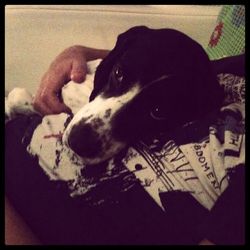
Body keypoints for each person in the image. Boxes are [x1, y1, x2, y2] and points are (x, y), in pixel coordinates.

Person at [5, 5, 245, 245]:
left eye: (157, 111)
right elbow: (154, 60)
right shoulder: (204, 72)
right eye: (120, 74)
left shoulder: (202, 95)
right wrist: (80, 52)